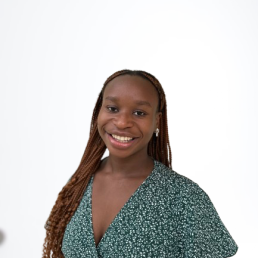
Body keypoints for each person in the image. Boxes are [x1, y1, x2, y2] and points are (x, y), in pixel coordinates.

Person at [43, 69, 238, 258]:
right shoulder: (79, 183)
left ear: (157, 121)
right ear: (98, 112)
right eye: (112, 108)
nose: (122, 122)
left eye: (139, 113)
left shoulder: (185, 198)